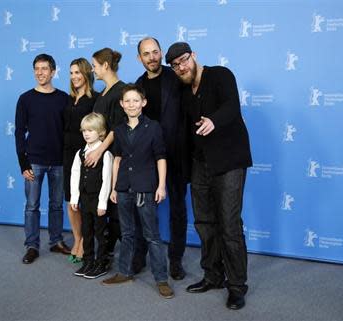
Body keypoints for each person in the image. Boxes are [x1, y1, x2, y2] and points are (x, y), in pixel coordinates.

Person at [165, 42, 252, 310]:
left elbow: (232, 106)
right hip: (199, 164)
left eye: (184, 60)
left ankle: (236, 286)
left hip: (228, 162)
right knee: (204, 222)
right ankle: (213, 275)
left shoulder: (220, 75)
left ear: (194, 56)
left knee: (229, 224)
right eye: (176, 65)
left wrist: (213, 120)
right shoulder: (183, 90)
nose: (181, 67)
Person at [102, 84, 174, 300]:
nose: (131, 104)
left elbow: (161, 157)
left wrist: (161, 186)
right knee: (127, 234)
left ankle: (161, 279)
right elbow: (118, 159)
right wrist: (115, 187)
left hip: (145, 188)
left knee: (152, 236)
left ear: (143, 103)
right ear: (122, 105)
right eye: (127, 101)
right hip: (124, 187)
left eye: (136, 100)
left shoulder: (153, 127)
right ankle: (124, 272)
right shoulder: (119, 129)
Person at [133, 37, 188, 280]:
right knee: (143, 211)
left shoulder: (175, 77)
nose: (152, 57)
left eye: (155, 52)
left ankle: (175, 261)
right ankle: (139, 256)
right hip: (147, 158)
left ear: (161, 53)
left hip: (176, 154)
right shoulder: (137, 85)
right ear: (140, 58)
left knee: (177, 209)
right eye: (146, 54)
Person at [15, 53, 71, 264]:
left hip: (59, 161)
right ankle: (32, 246)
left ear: (53, 71)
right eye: (36, 69)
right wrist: (23, 163)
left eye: (44, 69)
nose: (40, 73)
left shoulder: (64, 98)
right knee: (32, 206)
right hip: (34, 162)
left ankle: (56, 241)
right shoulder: (25, 99)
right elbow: (19, 133)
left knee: (56, 204)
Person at [85, 48, 126, 263]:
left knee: (114, 204)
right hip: (99, 157)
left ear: (106, 66)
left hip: (112, 156)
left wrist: (100, 151)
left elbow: (116, 129)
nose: (93, 70)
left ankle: (122, 254)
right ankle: (105, 250)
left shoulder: (121, 91)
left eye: (94, 66)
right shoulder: (102, 93)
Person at [70, 113, 113, 279]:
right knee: (86, 230)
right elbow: (75, 175)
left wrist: (102, 203)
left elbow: (107, 180)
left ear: (101, 132)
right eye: (84, 131)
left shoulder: (105, 154)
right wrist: (74, 198)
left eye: (91, 130)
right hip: (85, 199)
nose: (86, 134)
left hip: (98, 200)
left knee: (100, 232)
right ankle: (88, 261)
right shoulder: (80, 153)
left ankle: (101, 262)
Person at [63, 58, 96, 264]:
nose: (74, 76)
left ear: (86, 74)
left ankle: (85, 243)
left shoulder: (95, 99)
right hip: (67, 156)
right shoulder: (67, 99)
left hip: (86, 156)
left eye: (78, 72)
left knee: (85, 200)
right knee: (71, 199)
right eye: (71, 73)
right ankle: (77, 239)